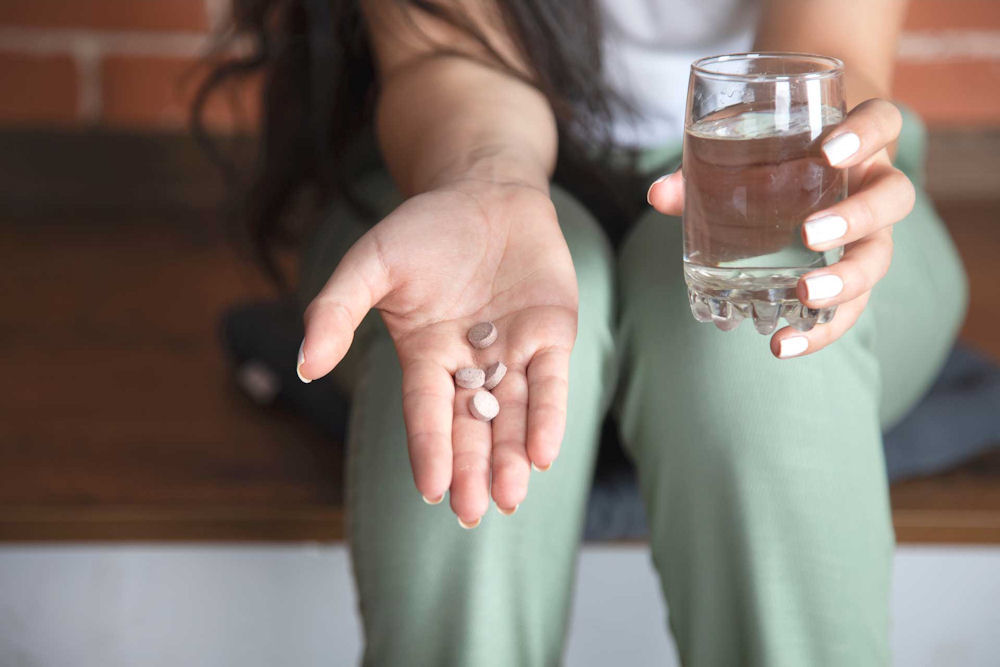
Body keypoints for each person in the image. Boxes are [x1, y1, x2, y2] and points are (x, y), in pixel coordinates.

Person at [212, 0, 967, 664]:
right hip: (463, 146)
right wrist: (487, 180)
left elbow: (828, 49)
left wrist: (825, 156)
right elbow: (449, 56)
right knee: (480, 364)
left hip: (774, 160)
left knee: (752, 359)